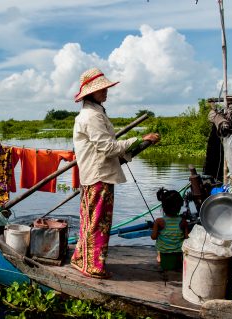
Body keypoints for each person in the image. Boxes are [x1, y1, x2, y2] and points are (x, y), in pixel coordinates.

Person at [70, 67, 160, 279]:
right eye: (101, 89)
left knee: (89, 220)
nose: (106, 91)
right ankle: (92, 267)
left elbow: (105, 147)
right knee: (98, 222)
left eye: (105, 88)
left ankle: (80, 259)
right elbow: (107, 147)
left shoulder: (95, 112)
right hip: (98, 175)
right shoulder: (91, 116)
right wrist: (139, 140)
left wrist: (137, 143)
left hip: (95, 174)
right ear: (90, 93)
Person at [151, 188, 189, 271]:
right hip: (178, 253)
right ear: (179, 207)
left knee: (159, 241)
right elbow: (187, 238)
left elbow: (153, 237)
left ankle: (159, 256)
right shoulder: (183, 222)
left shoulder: (159, 221)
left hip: (164, 252)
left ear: (163, 206)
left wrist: (157, 232)